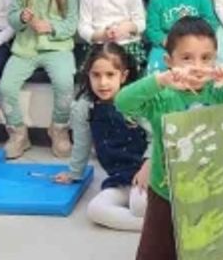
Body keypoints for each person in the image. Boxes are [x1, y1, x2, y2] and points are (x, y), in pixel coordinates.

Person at [116, 18, 223, 260]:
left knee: (209, 248)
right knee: (155, 251)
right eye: (187, 58)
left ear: (216, 59)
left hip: (214, 189)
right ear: (169, 61)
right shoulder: (162, 97)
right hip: (166, 191)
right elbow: (123, 102)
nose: (198, 67)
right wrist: (160, 81)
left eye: (206, 58)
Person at [54, 43, 151, 232]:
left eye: (110, 75)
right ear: (88, 75)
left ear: (123, 76)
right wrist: (74, 173)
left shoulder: (135, 101)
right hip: (120, 179)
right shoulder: (84, 107)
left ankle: (154, 220)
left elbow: (156, 137)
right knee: (95, 210)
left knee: (139, 206)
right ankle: (151, 227)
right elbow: (81, 143)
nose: (103, 83)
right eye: (96, 75)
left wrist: (148, 167)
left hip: (148, 173)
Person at [0, 0, 79, 159]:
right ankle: (18, 133)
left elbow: (72, 24)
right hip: (25, 49)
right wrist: (21, 18)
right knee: (6, 87)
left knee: (64, 83)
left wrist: (51, 27)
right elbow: (12, 19)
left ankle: (59, 129)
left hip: (58, 49)